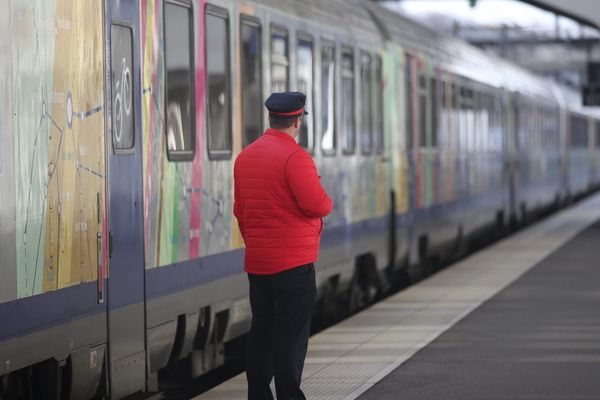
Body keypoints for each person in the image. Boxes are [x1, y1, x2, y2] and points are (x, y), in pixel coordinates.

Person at [233, 92, 333, 400]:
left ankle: (259, 395)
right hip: (293, 267)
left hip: (259, 266)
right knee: (290, 338)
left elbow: (241, 210)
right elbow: (319, 204)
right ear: (298, 121)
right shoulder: (296, 157)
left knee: (262, 332)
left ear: (270, 119)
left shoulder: (245, 157)